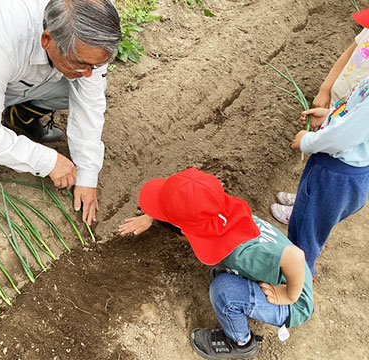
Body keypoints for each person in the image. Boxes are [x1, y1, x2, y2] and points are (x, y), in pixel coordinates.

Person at [0, 0, 121, 224]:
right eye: (82, 64)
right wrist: (48, 161)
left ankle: (21, 116)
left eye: (94, 66)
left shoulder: (94, 29)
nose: (89, 74)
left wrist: (88, 175)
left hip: (21, 76)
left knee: (78, 89)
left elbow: (90, 103)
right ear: (47, 39)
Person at [119, 168, 314, 359]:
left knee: (223, 290)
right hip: (283, 272)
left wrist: (288, 295)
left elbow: (295, 256)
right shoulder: (219, 208)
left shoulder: (240, 254)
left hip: (296, 303)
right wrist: (153, 214)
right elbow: (186, 205)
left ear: (184, 232)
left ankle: (241, 343)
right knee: (223, 274)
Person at [271, 8, 369, 224]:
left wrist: (308, 140)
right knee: (320, 160)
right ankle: (304, 198)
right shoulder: (367, 33)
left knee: (329, 168)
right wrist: (326, 89)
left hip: (351, 121)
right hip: (336, 107)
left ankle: (307, 210)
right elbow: (347, 56)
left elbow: (353, 128)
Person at [288, 74, 369, 276]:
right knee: (306, 223)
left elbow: (345, 135)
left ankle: (296, 286)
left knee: (304, 237)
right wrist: (330, 116)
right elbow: (356, 116)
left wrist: (307, 141)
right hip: (345, 171)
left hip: (335, 175)